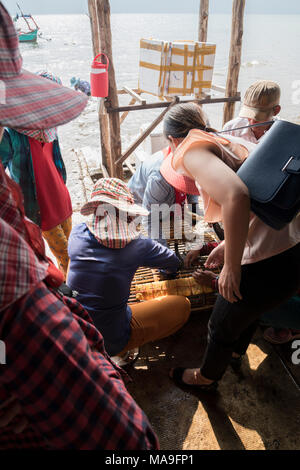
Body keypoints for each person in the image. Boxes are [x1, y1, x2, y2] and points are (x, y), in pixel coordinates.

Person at [0, 3, 158, 449]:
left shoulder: (79, 231)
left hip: (54, 212)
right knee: (172, 310)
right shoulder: (21, 300)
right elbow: (127, 438)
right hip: (97, 329)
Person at [157, 102, 300, 390]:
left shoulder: (191, 148)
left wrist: (231, 268)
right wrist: (226, 243)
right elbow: (260, 199)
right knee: (248, 310)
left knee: (220, 323)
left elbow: (236, 195)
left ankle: (205, 378)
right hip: (293, 244)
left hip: (267, 257)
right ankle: (235, 352)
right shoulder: (226, 140)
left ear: (173, 140)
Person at [67, 178, 191, 360]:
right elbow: (172, 261)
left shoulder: (77, 233)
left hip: (73, 330)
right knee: (182, 306)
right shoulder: (138, 246)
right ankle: (120, 352)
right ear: (127, 213)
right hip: (107, 340)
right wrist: (174, 268)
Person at [222, 81, 300, 345]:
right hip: (234, 208)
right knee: (234, 255)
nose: (250, 121)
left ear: (276, 110)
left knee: (257, 268)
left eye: (258, 117)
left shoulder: (284, 140)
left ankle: (254, 315)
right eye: (248, 114)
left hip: (266, 214)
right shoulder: (233, 128)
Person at [0, 72, 73, 279]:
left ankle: (71, 294)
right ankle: (72, 297)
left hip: (62, 199)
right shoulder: (13, 132)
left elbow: (56, 164)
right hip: (40, 209)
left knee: (71, 255)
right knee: (69, 258)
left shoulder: (52, 127)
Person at [128, 146, 202, 246]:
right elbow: (149, 218)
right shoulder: (159, 179)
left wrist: (195, 211)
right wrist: (165, 252)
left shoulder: (189, 162)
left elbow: (191, 188)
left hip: (163, 203)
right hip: (141, 209)